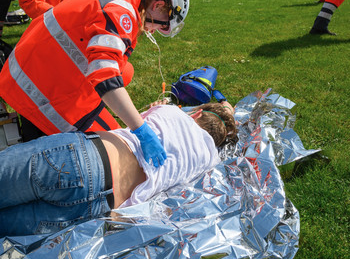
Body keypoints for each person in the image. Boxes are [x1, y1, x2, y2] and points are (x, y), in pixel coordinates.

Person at [0, 0, 190, 166]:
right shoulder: (122, 14)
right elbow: (105, 78)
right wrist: (140, 129)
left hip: (29, 70)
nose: (153, 30)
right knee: (121, 156)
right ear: (157, 6)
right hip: (39, 93)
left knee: (126, 72)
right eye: (161, 25)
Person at [0, 101, 237, 237]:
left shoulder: (173, 112)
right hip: (97, 207)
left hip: (84, 158)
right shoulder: (208, 163)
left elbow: (131, 122)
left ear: (195, 113)